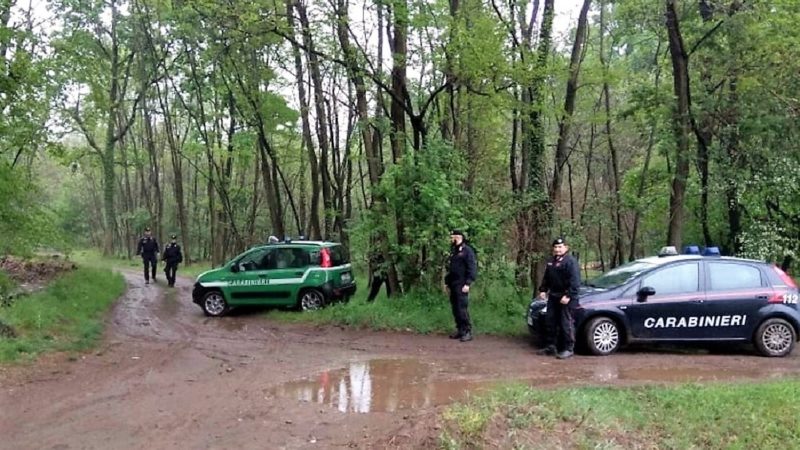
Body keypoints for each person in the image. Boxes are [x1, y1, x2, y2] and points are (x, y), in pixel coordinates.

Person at [537, 237, 581, 359]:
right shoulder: (551, 261)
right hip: (554, 296)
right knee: (550, 321)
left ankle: (568, 348)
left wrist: (568, 295)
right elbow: (547, 277)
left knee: (566, 323)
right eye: (555, 247)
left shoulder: (570, 262)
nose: (557, 249)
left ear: (566, 248)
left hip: (567, 297)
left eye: (560, 247)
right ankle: (551, 346)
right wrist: (543, 290)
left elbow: (575, 281)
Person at [444, 229, 477, 342]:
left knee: (462, 308)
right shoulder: (454, 251)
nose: (451, 239)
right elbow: (451, 269)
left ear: (458, 237)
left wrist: (468, 283)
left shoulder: (467, 251)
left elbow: (472, 268)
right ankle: (460, 330)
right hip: (453, 283)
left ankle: (467, 331)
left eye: (452, 237)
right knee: (455, 308)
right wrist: (447, 283)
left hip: (462, 284)